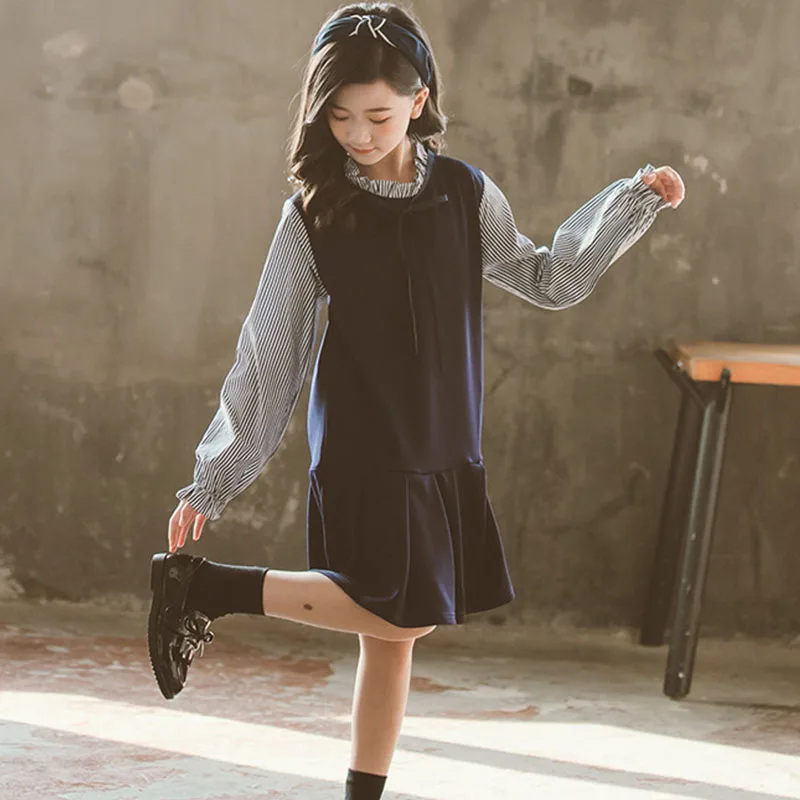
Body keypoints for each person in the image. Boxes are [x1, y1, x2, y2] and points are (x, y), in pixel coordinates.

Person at [147, 4, 685, 798]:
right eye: (339, 116)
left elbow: (549, 277)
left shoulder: (465, 193)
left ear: (419, 100)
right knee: (400, 615)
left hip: (443, 438)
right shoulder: (313, 213)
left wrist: (631, 203)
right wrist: (215, 477)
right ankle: (206, 588)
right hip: (366, 441)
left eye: (377, 115)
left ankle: (360, 787)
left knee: (395, 637)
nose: (358, 134)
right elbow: (271, 352)